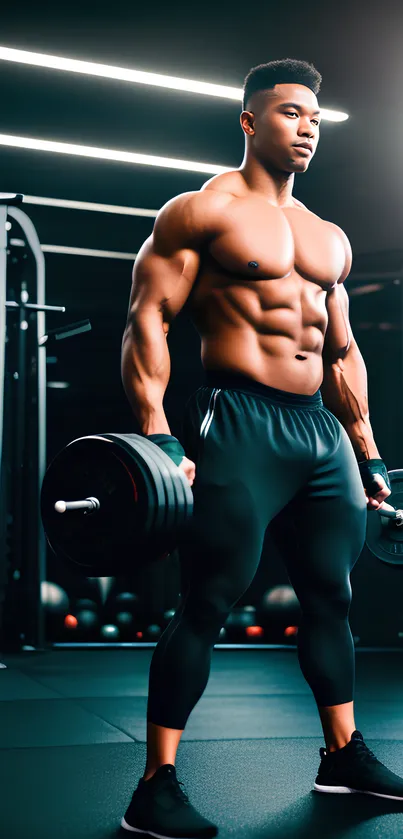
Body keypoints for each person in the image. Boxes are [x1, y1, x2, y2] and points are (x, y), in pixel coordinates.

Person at [120, 58, 403, 838]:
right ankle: (155, 782)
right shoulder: (200, 211)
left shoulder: (327, 238)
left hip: (318, 433)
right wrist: (156, 435)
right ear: (249, 121)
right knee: (208, 599)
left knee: (331, 598)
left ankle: (341, 754)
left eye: (314, 115)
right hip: (237, 420)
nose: (306, 127)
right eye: (289, 113)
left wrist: (369, 451)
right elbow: (148, 320)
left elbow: (341, 354)